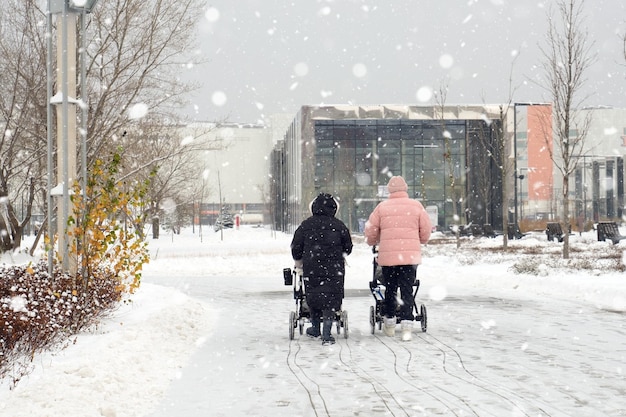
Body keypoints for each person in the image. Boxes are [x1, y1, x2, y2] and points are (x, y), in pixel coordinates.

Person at [364, 175, 431, 341]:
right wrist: (421, 240)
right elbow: (426, 230)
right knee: (407, 290)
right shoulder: (416, 206)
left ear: (389, 190)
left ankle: (390, 323)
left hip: (388, 257)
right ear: (405, 189)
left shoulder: (382, 207)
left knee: (391, 289)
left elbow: (371, 230)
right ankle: (407, 323)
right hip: (409, 257)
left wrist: (372, 241)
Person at [291, 193, 353, 345]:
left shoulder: (305, 225)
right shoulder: (339, 226)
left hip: (312, 267)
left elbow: (296, 248)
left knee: (313, 296)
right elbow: (348, 247)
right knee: (331, 297)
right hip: (334, 268)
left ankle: (315, 328)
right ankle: (327, 332)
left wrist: (302, 257)